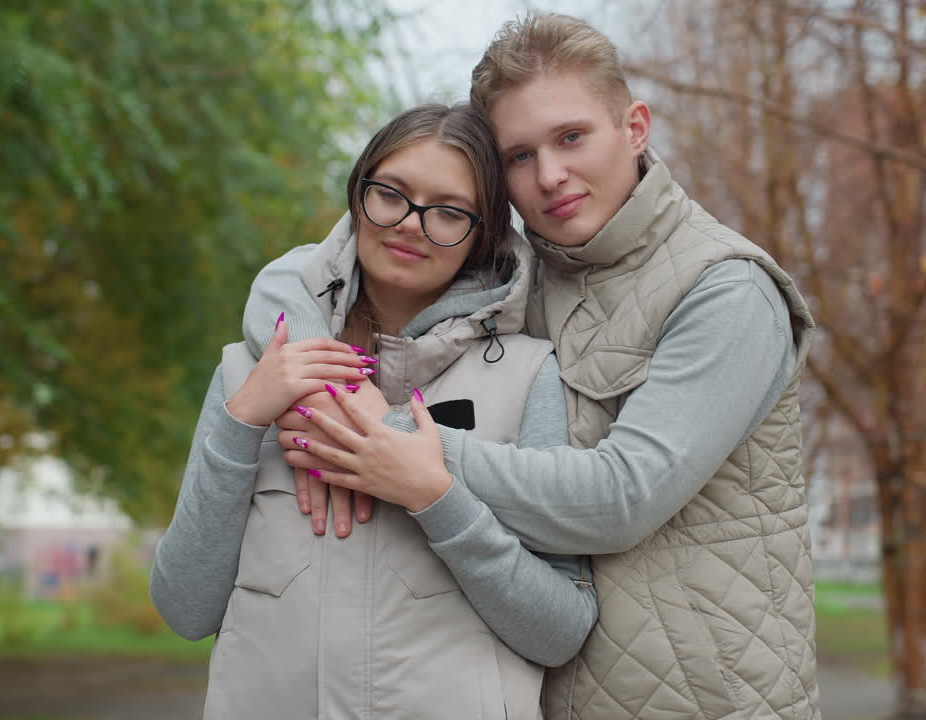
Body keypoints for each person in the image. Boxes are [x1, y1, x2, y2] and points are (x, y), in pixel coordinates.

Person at [249, 14, 822, 720]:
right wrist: (332, 388)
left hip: (706, 704)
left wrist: (393, 439)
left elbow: (622, 499)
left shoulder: (726, 291)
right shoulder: (512, 281)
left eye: (571, 137)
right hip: (547, 696)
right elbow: (307, 273)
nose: (550, 176)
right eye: (519, 156)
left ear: (635, 127)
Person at [150, 103, 597, 720]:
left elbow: (561, 630)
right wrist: (242, 421)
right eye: (391, 194)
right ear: (359, 196)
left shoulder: (527, 376)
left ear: (483, 233)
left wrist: (436, 498)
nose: (411, 224)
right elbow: (185, 608)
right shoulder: (249, 376)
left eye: (449, 211)